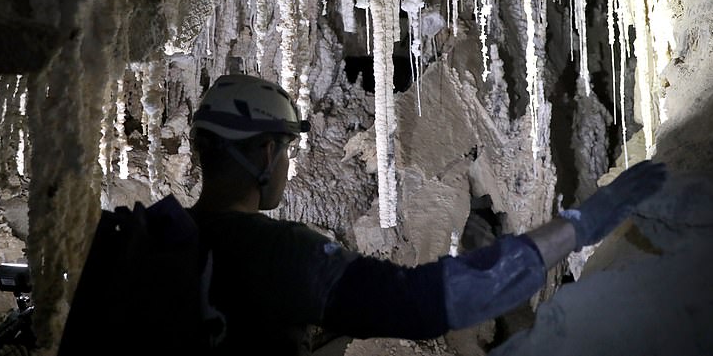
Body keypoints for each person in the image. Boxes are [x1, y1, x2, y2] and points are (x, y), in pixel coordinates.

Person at [189, 74, 666, 355]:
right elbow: (422, 303)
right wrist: (575, 228)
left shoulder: (153, 238)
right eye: (288, 149)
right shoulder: (281, 255)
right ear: (268, 153)